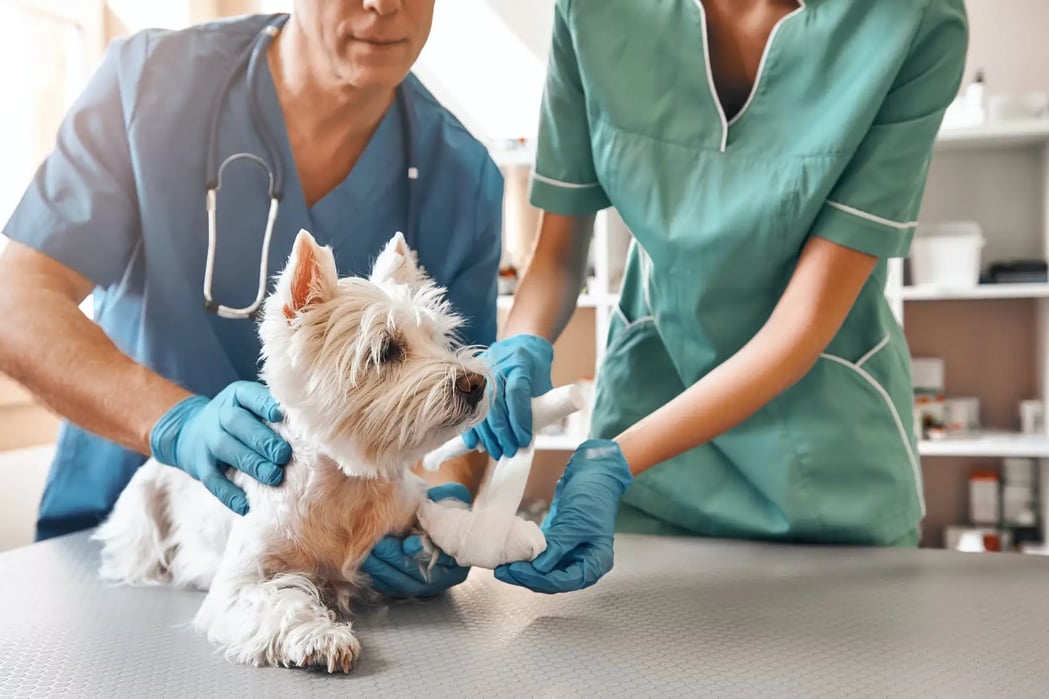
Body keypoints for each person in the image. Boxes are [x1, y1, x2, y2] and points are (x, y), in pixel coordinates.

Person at [0, 0, 500, 599]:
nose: (384, 5)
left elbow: (463, 412)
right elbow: (15, 302)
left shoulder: (463, 176)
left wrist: (445, 505)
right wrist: (173, 424)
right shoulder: (150, 84)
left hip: (342, 567)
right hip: (135, 545)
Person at [465, 0, 969, 594]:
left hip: (829, 473)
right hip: (652, 448)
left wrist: (615, 461)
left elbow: (802, 323)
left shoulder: (911, 20)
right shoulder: (595, 11)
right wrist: (519, 344)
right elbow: (556, 255)